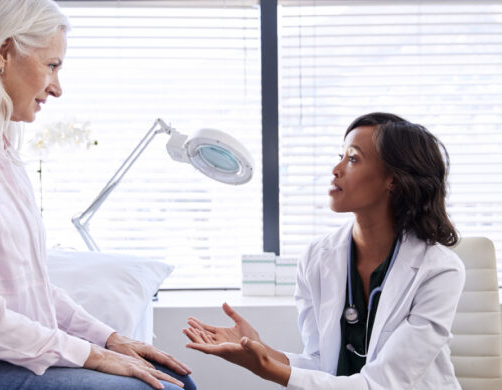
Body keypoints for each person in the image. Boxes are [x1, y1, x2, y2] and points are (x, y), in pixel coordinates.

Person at [0, 1, 195, 389]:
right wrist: (93, 355)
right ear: (3, 53)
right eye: (52, 66)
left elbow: (33, 289)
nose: (57, 87)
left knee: (174, 381)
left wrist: (111, 340)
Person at [183, 112, 465, 389]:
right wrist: (261, 350)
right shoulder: (316, 258)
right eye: (340, 156)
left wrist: (268, 368)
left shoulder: (439, 271)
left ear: (392, 179)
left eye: (353, 158)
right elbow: (323, 364)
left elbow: (383, 384)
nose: (336, 169)